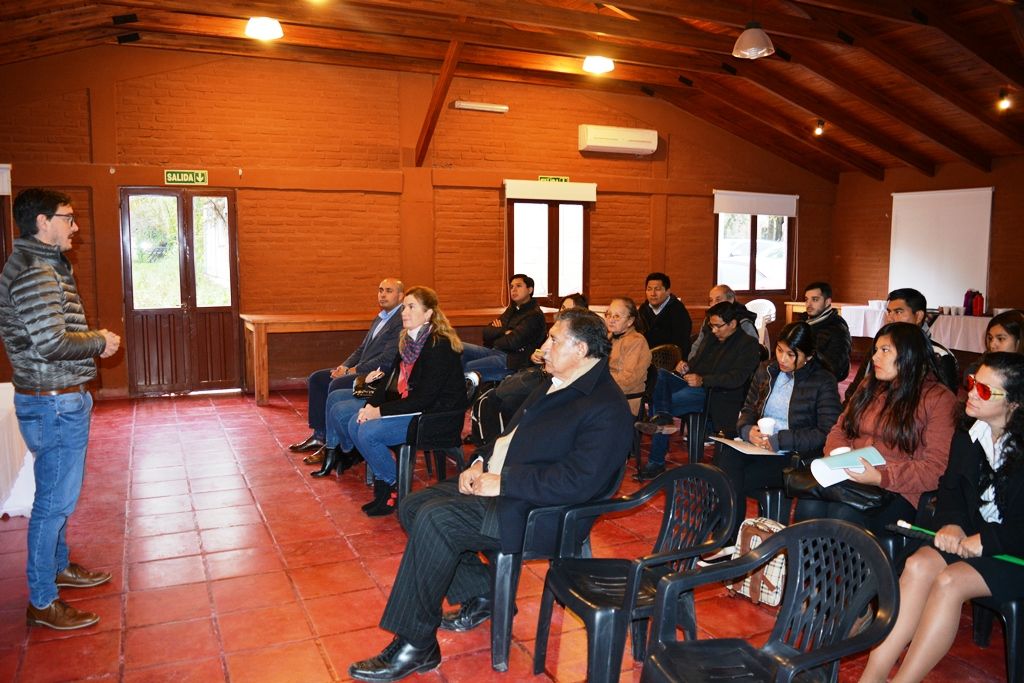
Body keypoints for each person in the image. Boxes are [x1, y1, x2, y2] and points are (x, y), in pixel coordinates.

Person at [347, 308, 633, 682]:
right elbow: (507, 437)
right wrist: (479, 462)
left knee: (437, 519)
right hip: (503, 486)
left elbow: (580, 481)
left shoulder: (606, 406)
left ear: (580, 349)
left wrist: (505, 482)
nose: (545, 348)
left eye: (554, 340)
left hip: (537, 511)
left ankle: (416, 644)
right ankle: (484, 594)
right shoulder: (557, 381)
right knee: (414, 505)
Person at [857, 352, 1024, 683]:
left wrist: (987, 541)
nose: (971, 393)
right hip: (974, 537)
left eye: (985, 390)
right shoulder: (968, 433)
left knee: (950, 582)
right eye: (972, 383)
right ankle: (871, 676)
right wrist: (951, 523)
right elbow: (950, 489)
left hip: (1013, 551)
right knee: (918, 565)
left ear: (1015, 404)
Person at [0, 189, 121, 630]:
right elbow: (51, 342)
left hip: (53, 397)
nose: (75, 226)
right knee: (53, 502)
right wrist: (99, 341)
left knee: (57, 495)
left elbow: (49, 332)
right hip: (52, 401)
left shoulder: (41, 264)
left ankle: (58, 566)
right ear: (42, 222)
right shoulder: (35, 272)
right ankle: (43, 599)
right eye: (68, 218)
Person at [316, 286, 469, 516]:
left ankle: (392, 485)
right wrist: (370, 405)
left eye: (411, 307)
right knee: (355, 423)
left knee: (369, 432)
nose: (404, 312)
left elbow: (424, 399)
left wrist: (380, 412)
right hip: (415, 408)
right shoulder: (408, 340)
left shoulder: (439, 345)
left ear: (428, 314)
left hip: (434, 417)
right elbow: (389, 380)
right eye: (404, 307)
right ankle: (386, 485)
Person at [795, 322, 957, 535]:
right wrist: (838, 455)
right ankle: (804, 559)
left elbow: (937, 467)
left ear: (909, 355)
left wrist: (882, 477)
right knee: (809, 506)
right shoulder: (869, 385)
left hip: (899, 491)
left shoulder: (938, 399)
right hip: (852, 478)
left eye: (885, 350)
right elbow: (840, 428)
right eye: (876, 350)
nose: (874, 357)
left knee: (843, 515)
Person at [713, 322, 842, 536]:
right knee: (726, 460)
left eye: (791, 354)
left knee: (728, 479)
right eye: (780, 350)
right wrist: (746, 430)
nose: (782, 359)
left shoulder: (822, 381)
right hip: (759, 448)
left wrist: (781, 440)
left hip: (793, 456)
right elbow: (748, 409)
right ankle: (726, 539)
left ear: (809, 356)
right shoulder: (767, 371)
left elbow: (827, 432)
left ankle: (725, 539)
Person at [635, 301, 761, 481]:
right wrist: (686, 366)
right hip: (693, 383)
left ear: (733, 324)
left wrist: (704, 380)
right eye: (711, 325)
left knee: (661, 404)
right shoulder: (711, 337)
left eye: (718, 326)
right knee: (661, 375)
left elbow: (737, 378)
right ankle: (663, 418)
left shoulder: (748, 344)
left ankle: (656, 460)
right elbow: (698, 362)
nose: (714, 330)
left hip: (715, 393)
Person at [289, 278, 405, 466]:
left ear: (401, 296)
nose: (383, 294)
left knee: (336, 384)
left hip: (378, 378)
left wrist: (352, 371)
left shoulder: (400, 321)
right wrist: (343, 367)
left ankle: (333, 446)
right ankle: (319, 435)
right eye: (380, 290)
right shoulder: (381, 317)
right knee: (318, 378)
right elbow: (361, 349)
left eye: (389, 291)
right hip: (361, 370)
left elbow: (387, 359)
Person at [846, 288, 959, 399]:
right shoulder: (879, 348)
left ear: (918, 316)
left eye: (898, 312)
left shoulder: (939, 355)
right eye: (889, 312)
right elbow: (856, 388)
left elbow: (945, 401)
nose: (890, 319)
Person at [461, 274, 546, 383]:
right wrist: (505, 332)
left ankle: (465, 387)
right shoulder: (512, 309)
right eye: (511, 287)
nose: (513, 290)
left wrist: (498, 333)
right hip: (497, 351)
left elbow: (512, 342)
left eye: (518, 286)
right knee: (459, 348)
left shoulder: (534, 315)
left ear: (530, 290)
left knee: (469, 366)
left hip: (514, 360)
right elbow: (486, 333)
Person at [686, 284, 758, 362]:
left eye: (718, 300)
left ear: (731, 300)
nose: (713, 304)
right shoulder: (708, 320)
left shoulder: (743, 322)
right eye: (711, 300)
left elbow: (752, 351)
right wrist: (690, 363)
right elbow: (698, 344)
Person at [605, 297, 652, 413]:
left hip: (625, 400)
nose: (611, 320)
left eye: (617, 316)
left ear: (630, 321)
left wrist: (598, 383)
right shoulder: (609, 337)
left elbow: (628, 380)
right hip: (607, 391)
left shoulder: (636, 341)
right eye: (609, 315)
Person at [803, 281, 851, 381]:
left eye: (815, 299)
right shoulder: (803, 320)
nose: (809, 304)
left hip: (819, 379)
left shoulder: (837, 328)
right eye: (806, 300)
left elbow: (836, 368)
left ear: (827, 302)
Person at [637, 272, 693, 359]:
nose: (653, 293)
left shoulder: (678, 310)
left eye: (657, 289)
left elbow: (682, 341)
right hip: (645, 357)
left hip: (669, 359)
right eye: (649, 289)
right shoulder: (643, 309)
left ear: (668, 291)